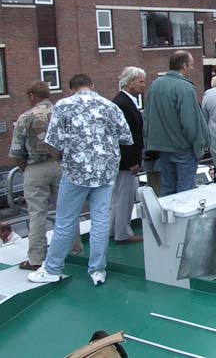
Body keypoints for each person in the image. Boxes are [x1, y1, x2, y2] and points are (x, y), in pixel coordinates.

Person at [29, 74, 132, 286]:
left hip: (76, 171)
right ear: (92, 86)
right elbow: (125, 137)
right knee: (100, 222)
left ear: (70, 89)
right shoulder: (109, 106)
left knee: (66, 221)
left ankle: (52, 268)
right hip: (105, 171)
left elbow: (53, 142)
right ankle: (98, 270)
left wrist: (62, 159)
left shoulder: (63, 105)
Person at [9, 81, 81, 270]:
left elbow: (16, 151)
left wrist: (26, 169)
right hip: (62, 166)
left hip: (35, 168)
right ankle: (74, 251)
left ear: (32, 95)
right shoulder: (63, 113)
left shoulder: (26, 117)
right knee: (68, 211)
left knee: (37, 215)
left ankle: (36, 259)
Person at [144, 51, 209, 196]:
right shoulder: (185, 88)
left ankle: (166, 219)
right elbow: (190, 123)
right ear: (184, 66)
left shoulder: (155, 85)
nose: (192, 69)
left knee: (167, 189)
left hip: (163, 148)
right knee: (186, 191)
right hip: (183, 148)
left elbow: (148, 116)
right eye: (191, 65)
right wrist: (198, 146)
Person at [109, 67, 146, 245]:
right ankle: (123, 233)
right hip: (126, 162)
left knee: (118, 196)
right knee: (125, 197)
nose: (143, 85)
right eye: (140, 81)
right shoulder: (123, 104)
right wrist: (132, 161)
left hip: (122, 161)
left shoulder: (122, 101)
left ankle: (113, 229)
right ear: (129, 82)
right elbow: (126, 136)